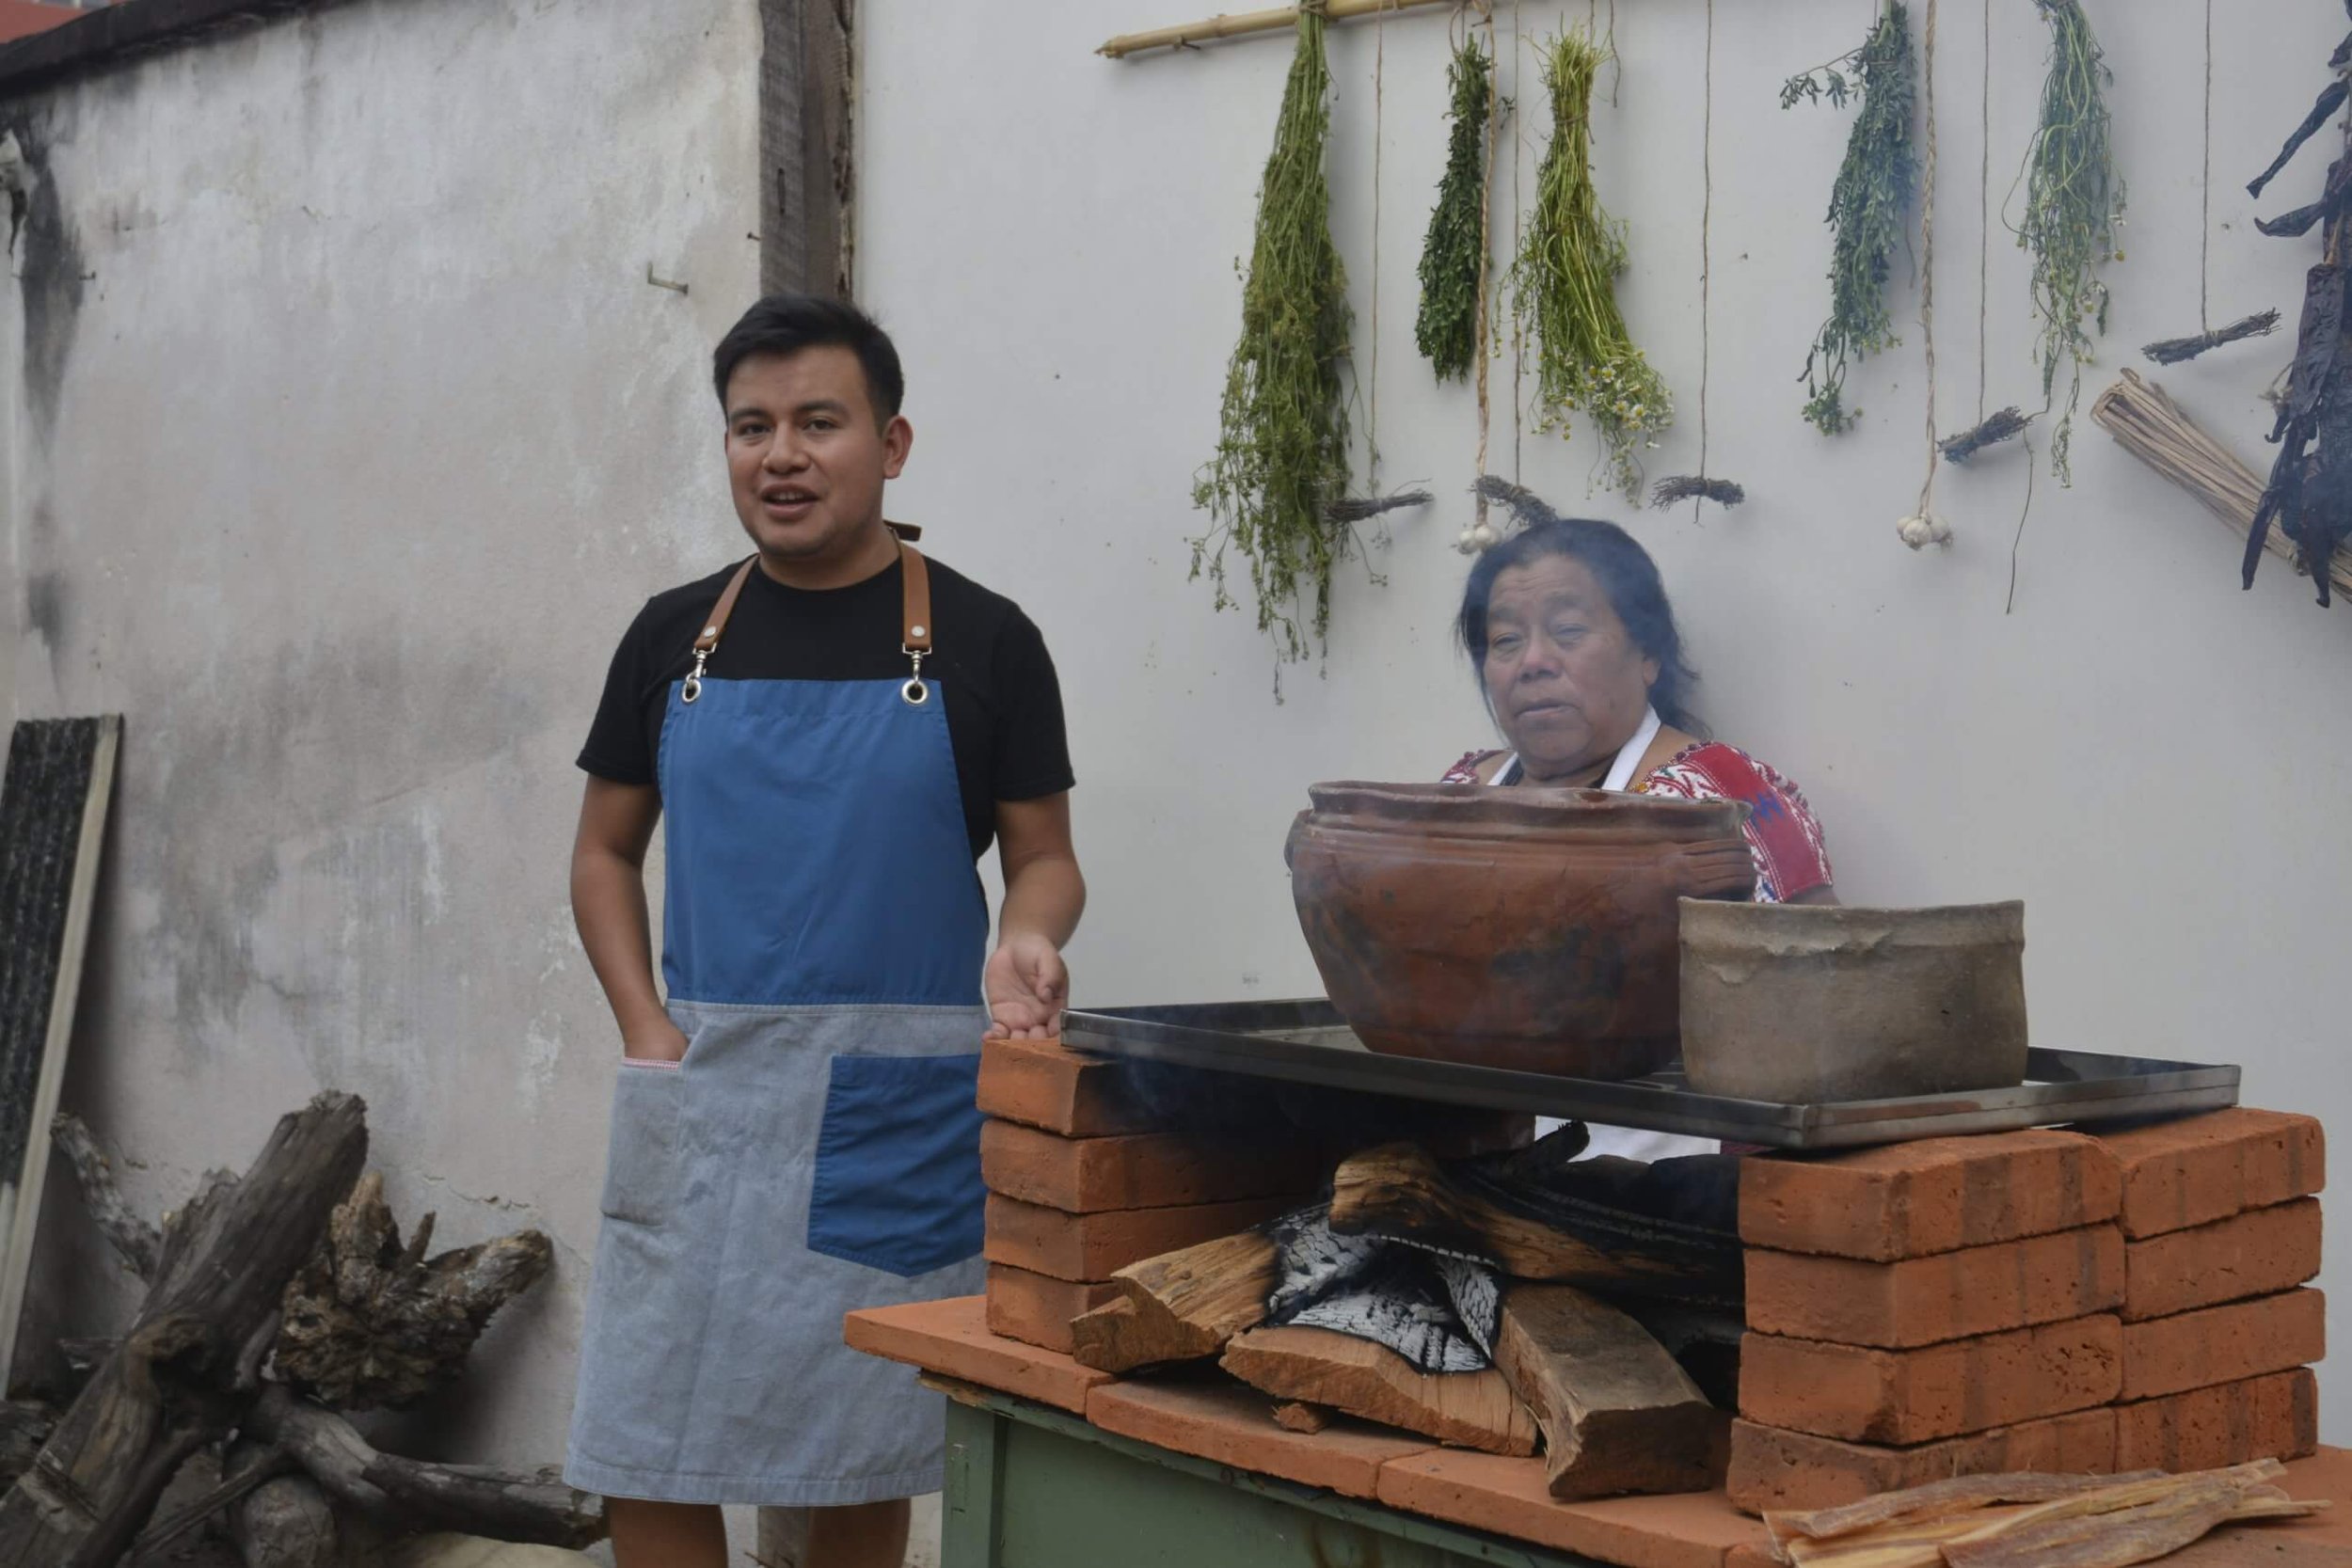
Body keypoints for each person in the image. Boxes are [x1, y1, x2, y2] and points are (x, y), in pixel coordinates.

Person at [563, 294, 1085, 1568]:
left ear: (891, 444)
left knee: (859, 1440)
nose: (780, 453)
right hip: (702, 1083)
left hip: (896, 1096)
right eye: (751, 426)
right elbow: (601, 853)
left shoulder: (984, 638)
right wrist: (647, 1025)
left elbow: (1046, 860)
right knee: (646, 1432)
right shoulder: (672, 635)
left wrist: (1027, 938)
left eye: (818, 421)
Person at [1441, 508, 1831, 1161]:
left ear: (1648, 654)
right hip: (1475, 1164)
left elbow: (1827, 992)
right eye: (1505, 641)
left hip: (1664, 1183)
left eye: (1567, 631)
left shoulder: (1727, 792)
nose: (1533, 662)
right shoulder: (1461, 793)